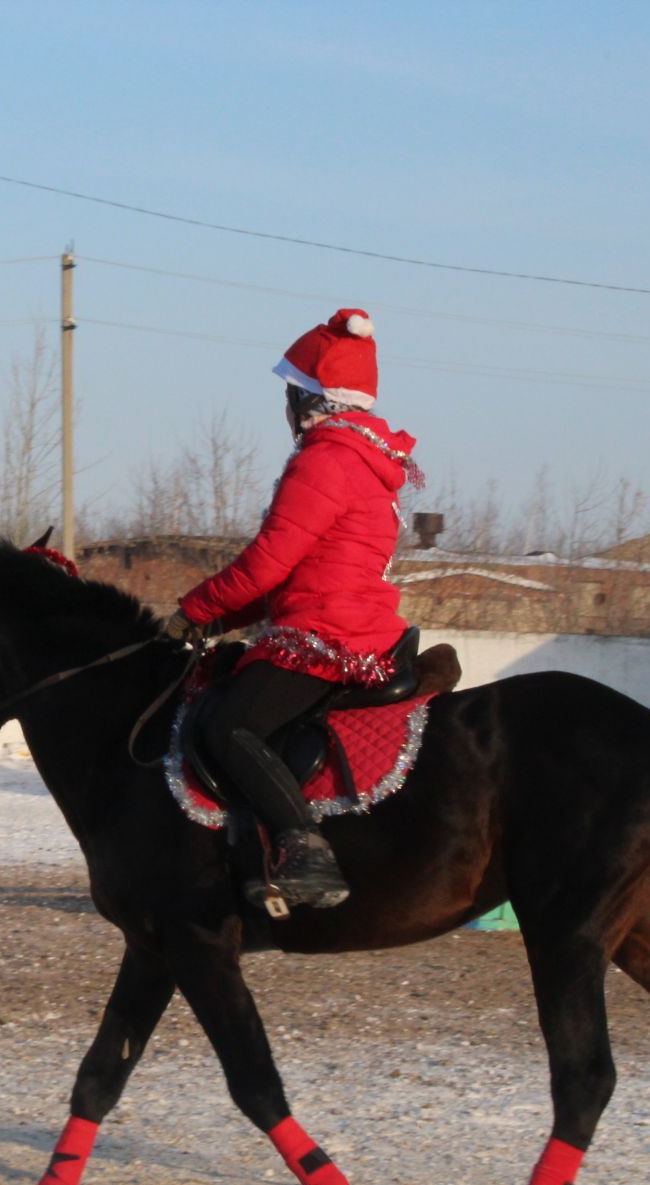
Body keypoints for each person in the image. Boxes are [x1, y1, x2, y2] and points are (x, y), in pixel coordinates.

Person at [163, 308, 418, 910]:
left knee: (229, 726)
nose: (285, 408)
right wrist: (217, 619)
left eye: (290, 394)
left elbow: (267, 564)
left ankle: (305, 848)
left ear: (311, 401)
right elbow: (284, 579)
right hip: (345, 622)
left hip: (328, 634)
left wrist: (191, 610)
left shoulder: (324, 460)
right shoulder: (361, 460)